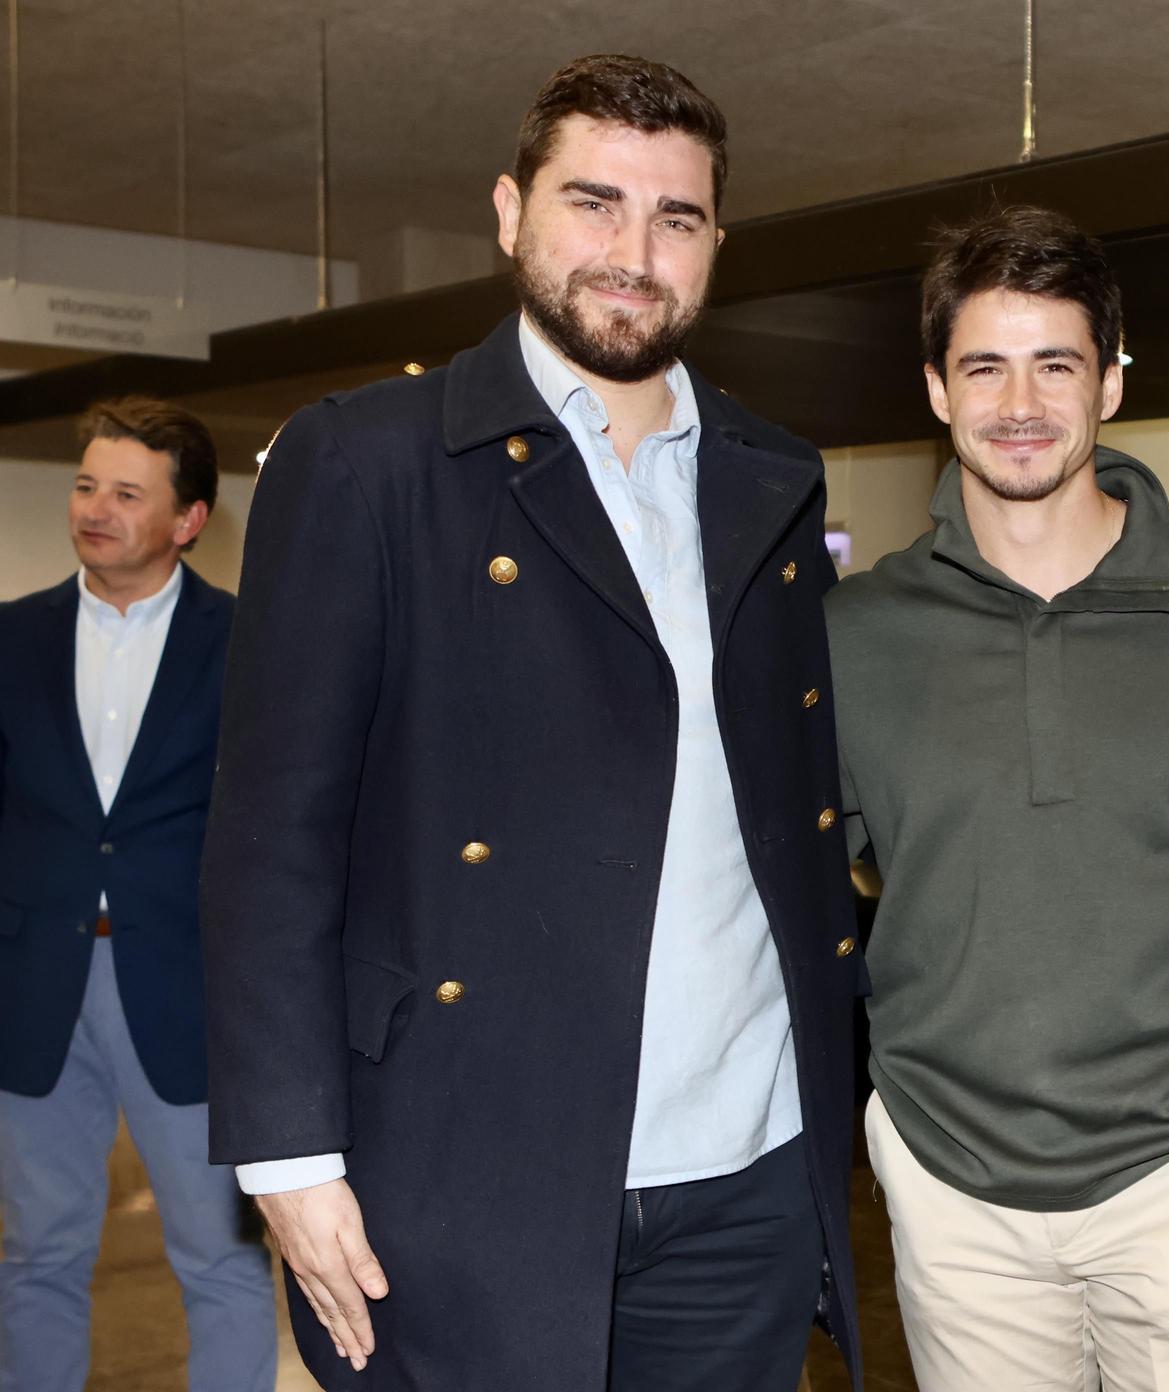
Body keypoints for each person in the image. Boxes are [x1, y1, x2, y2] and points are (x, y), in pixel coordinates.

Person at [201, 54, 860, 1392]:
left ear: (716, 246)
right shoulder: (369, 461)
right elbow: (274, 834)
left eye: (676, 218)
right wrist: (289, 1158)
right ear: (510, 214)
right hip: (462, 1159)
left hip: (743, 1170)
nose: (634, 251)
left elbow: (790, 816)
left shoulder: (772, 477)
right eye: (593, 202)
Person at [827, 204, 1169, 1391]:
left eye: (1055, 363)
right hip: (952, 1181)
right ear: (933, 388)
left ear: (1110, 382)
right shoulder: (852, 638)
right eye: (984, 366)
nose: (1019, 403)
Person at [0, 398, 275, 1392]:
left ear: (189, 519)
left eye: (126, 492)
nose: (95, 509)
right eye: (85, 485)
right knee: (37, 1256)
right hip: (35, 989)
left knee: (223, 1259)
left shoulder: (251, 644)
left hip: (191, 991)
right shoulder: (12, 638)